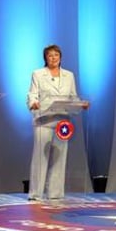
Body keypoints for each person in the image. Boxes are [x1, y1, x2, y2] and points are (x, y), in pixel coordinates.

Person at [27, 44, 78, 201]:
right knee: (40, 159)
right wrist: (33, 103)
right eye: (50, 55)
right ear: (45, 58)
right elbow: (32, 94)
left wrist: (80, 104)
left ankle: (55, 194)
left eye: (56, 55)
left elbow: (73, 97)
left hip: (62, 122)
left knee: (59, 159)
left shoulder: (69, 75)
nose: (53, 58)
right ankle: (36, 194)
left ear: (60, 58)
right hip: (44, 120)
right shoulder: (38, 74)